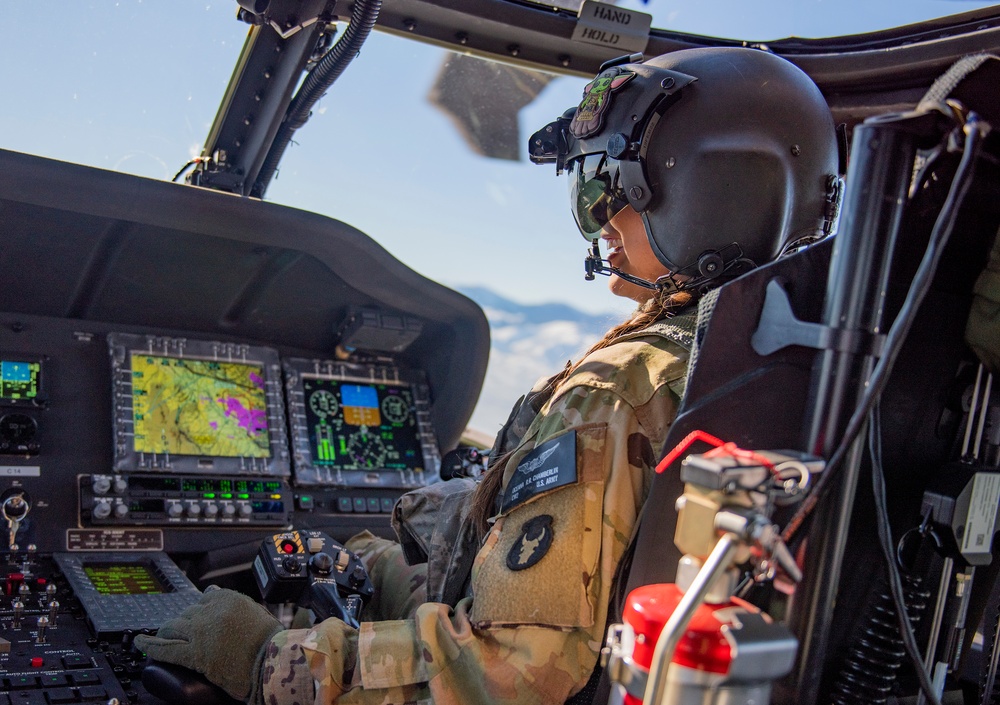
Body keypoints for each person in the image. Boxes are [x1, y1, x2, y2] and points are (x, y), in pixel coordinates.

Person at [134, 46, 840, 705]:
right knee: (368, 560)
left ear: (712, 194)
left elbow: (511, 669)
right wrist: (392, 573)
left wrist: (274, 661)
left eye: (611, 186)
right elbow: (583, 593)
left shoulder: (618, 388)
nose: (601, 221)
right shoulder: (791, 366)